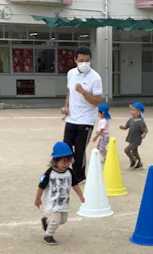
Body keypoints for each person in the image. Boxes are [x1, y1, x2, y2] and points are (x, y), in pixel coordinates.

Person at [61, 46, 103, 185]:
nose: (84, 63)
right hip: (72, 118)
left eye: (87, 60)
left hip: (86, 120)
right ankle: (67, 171)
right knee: (66, 147)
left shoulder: (95, 78)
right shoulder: (71, 73)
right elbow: (69, 92)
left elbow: (97, 102)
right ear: (75, 60)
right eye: (81, 60)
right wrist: (66, 107)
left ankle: (80, 176)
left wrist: (84, 92)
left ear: (91, 60)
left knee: (80, 149)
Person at [35, 142, 85, 246]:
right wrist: (38, 198)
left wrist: (80, 195)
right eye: (63, 162)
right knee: (56, 219)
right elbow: (41, 186)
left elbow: (74, 184)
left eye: (68, 162)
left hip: (63, 201)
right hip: (53, 202)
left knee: (63, 220)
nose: (66, 165)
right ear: (55, 161)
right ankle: (48, 235)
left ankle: (47, 222)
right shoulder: (50, 173)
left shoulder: (69, 172)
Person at [119, 102, 148, 169]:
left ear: (139, 112)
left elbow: (145, 130)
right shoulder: (131, 120)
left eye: (133, 110)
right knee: (135, 151)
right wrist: (122, 127)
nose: (131, 111)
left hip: (136, 140)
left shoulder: (141, 122)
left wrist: (144, 134)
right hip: (131, 138)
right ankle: (139, 164)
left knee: (127, 150)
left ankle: (134, 161)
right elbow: (126, 126)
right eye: (131, 110)